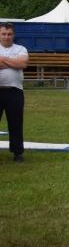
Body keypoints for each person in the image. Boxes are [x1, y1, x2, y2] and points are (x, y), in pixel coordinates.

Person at [0, 22, 28, 163]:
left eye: (9, 34)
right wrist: (12, 62)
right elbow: (17, 63)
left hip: (15, 91)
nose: (6, 37)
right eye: (4, 34)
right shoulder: (16, 53)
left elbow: (22, 64)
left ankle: (17, 153)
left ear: (13, 35)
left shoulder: (21, 48)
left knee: (16, 123)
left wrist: (3, 59)